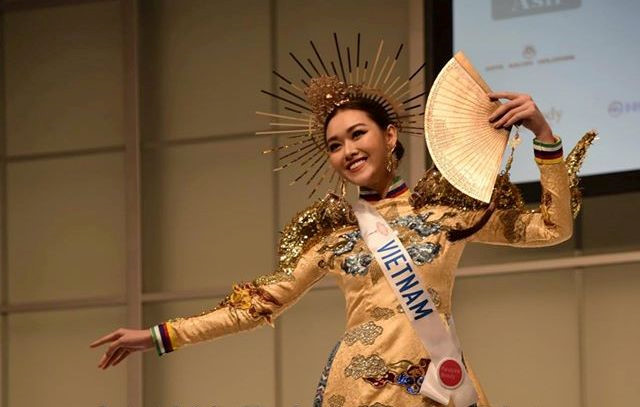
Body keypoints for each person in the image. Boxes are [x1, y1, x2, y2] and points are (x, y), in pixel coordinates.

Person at [90, 43, 596, 406]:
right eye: (335, 145)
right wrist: (159, 335)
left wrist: (543, 136)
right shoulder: (333, 236)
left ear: (390, 136)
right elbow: (257, 305)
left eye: (357, 134)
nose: (348, 150)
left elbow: (551, 226)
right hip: (356, 391)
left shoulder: (445, 213)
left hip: (435, 390)